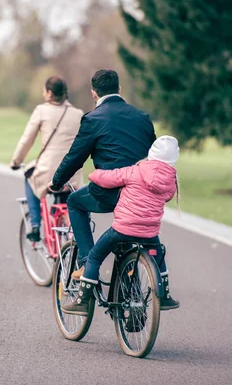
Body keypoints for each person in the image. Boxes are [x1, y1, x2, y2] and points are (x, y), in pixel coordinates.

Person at [49, 69, 156, 274]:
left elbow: (75, 158)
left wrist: (56, 181)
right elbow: (154, 156)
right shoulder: (142, 117)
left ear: (94, 93)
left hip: (111, 192)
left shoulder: (93, 119)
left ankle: (86, 265)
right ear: (119, 89)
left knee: (74, 202)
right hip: (141, 193)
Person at [62, 135, 182, 315]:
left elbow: (105, 178)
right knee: (159, 256)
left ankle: (82, 301)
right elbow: (167, 197)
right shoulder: (170, 182)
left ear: (151, 154)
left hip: (122, 230)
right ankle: (164, 296)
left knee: (94, 256)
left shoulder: (134, 171)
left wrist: (93, 174)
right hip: (150, 233)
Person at [11, 76, 84, 241]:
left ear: (49, 93)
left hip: (48, 169)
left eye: (44, 90)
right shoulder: (78, 113)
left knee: (29, 177)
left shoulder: (41, 111)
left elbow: (27, 139)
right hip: (72, 171)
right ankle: (70, 239)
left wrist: (16, 161)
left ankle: (35, 225)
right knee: (67, 197)